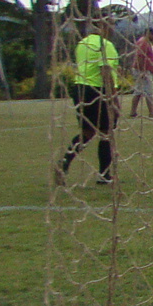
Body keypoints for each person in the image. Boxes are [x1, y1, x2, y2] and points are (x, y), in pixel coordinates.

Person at [56, 18, 123, 185]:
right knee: (107, 132)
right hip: (97, 90)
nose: (113, 28)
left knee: (87, 132)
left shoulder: (82, 44)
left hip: (80, 90)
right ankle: (104, 175)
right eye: (111, 24)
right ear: (102, 25)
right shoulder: (105, 45)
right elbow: (105, 71)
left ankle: (64, 162)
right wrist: (114, 98)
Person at [128, 29, 153, 119]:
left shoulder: (147, 43)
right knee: (148, 91)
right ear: (148, 34)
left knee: (139, 91)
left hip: (145, 70)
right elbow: (140, 57)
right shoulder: (144, 42)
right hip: (142, 71)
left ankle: (133, 112)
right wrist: (143, 71)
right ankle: (151, 112)